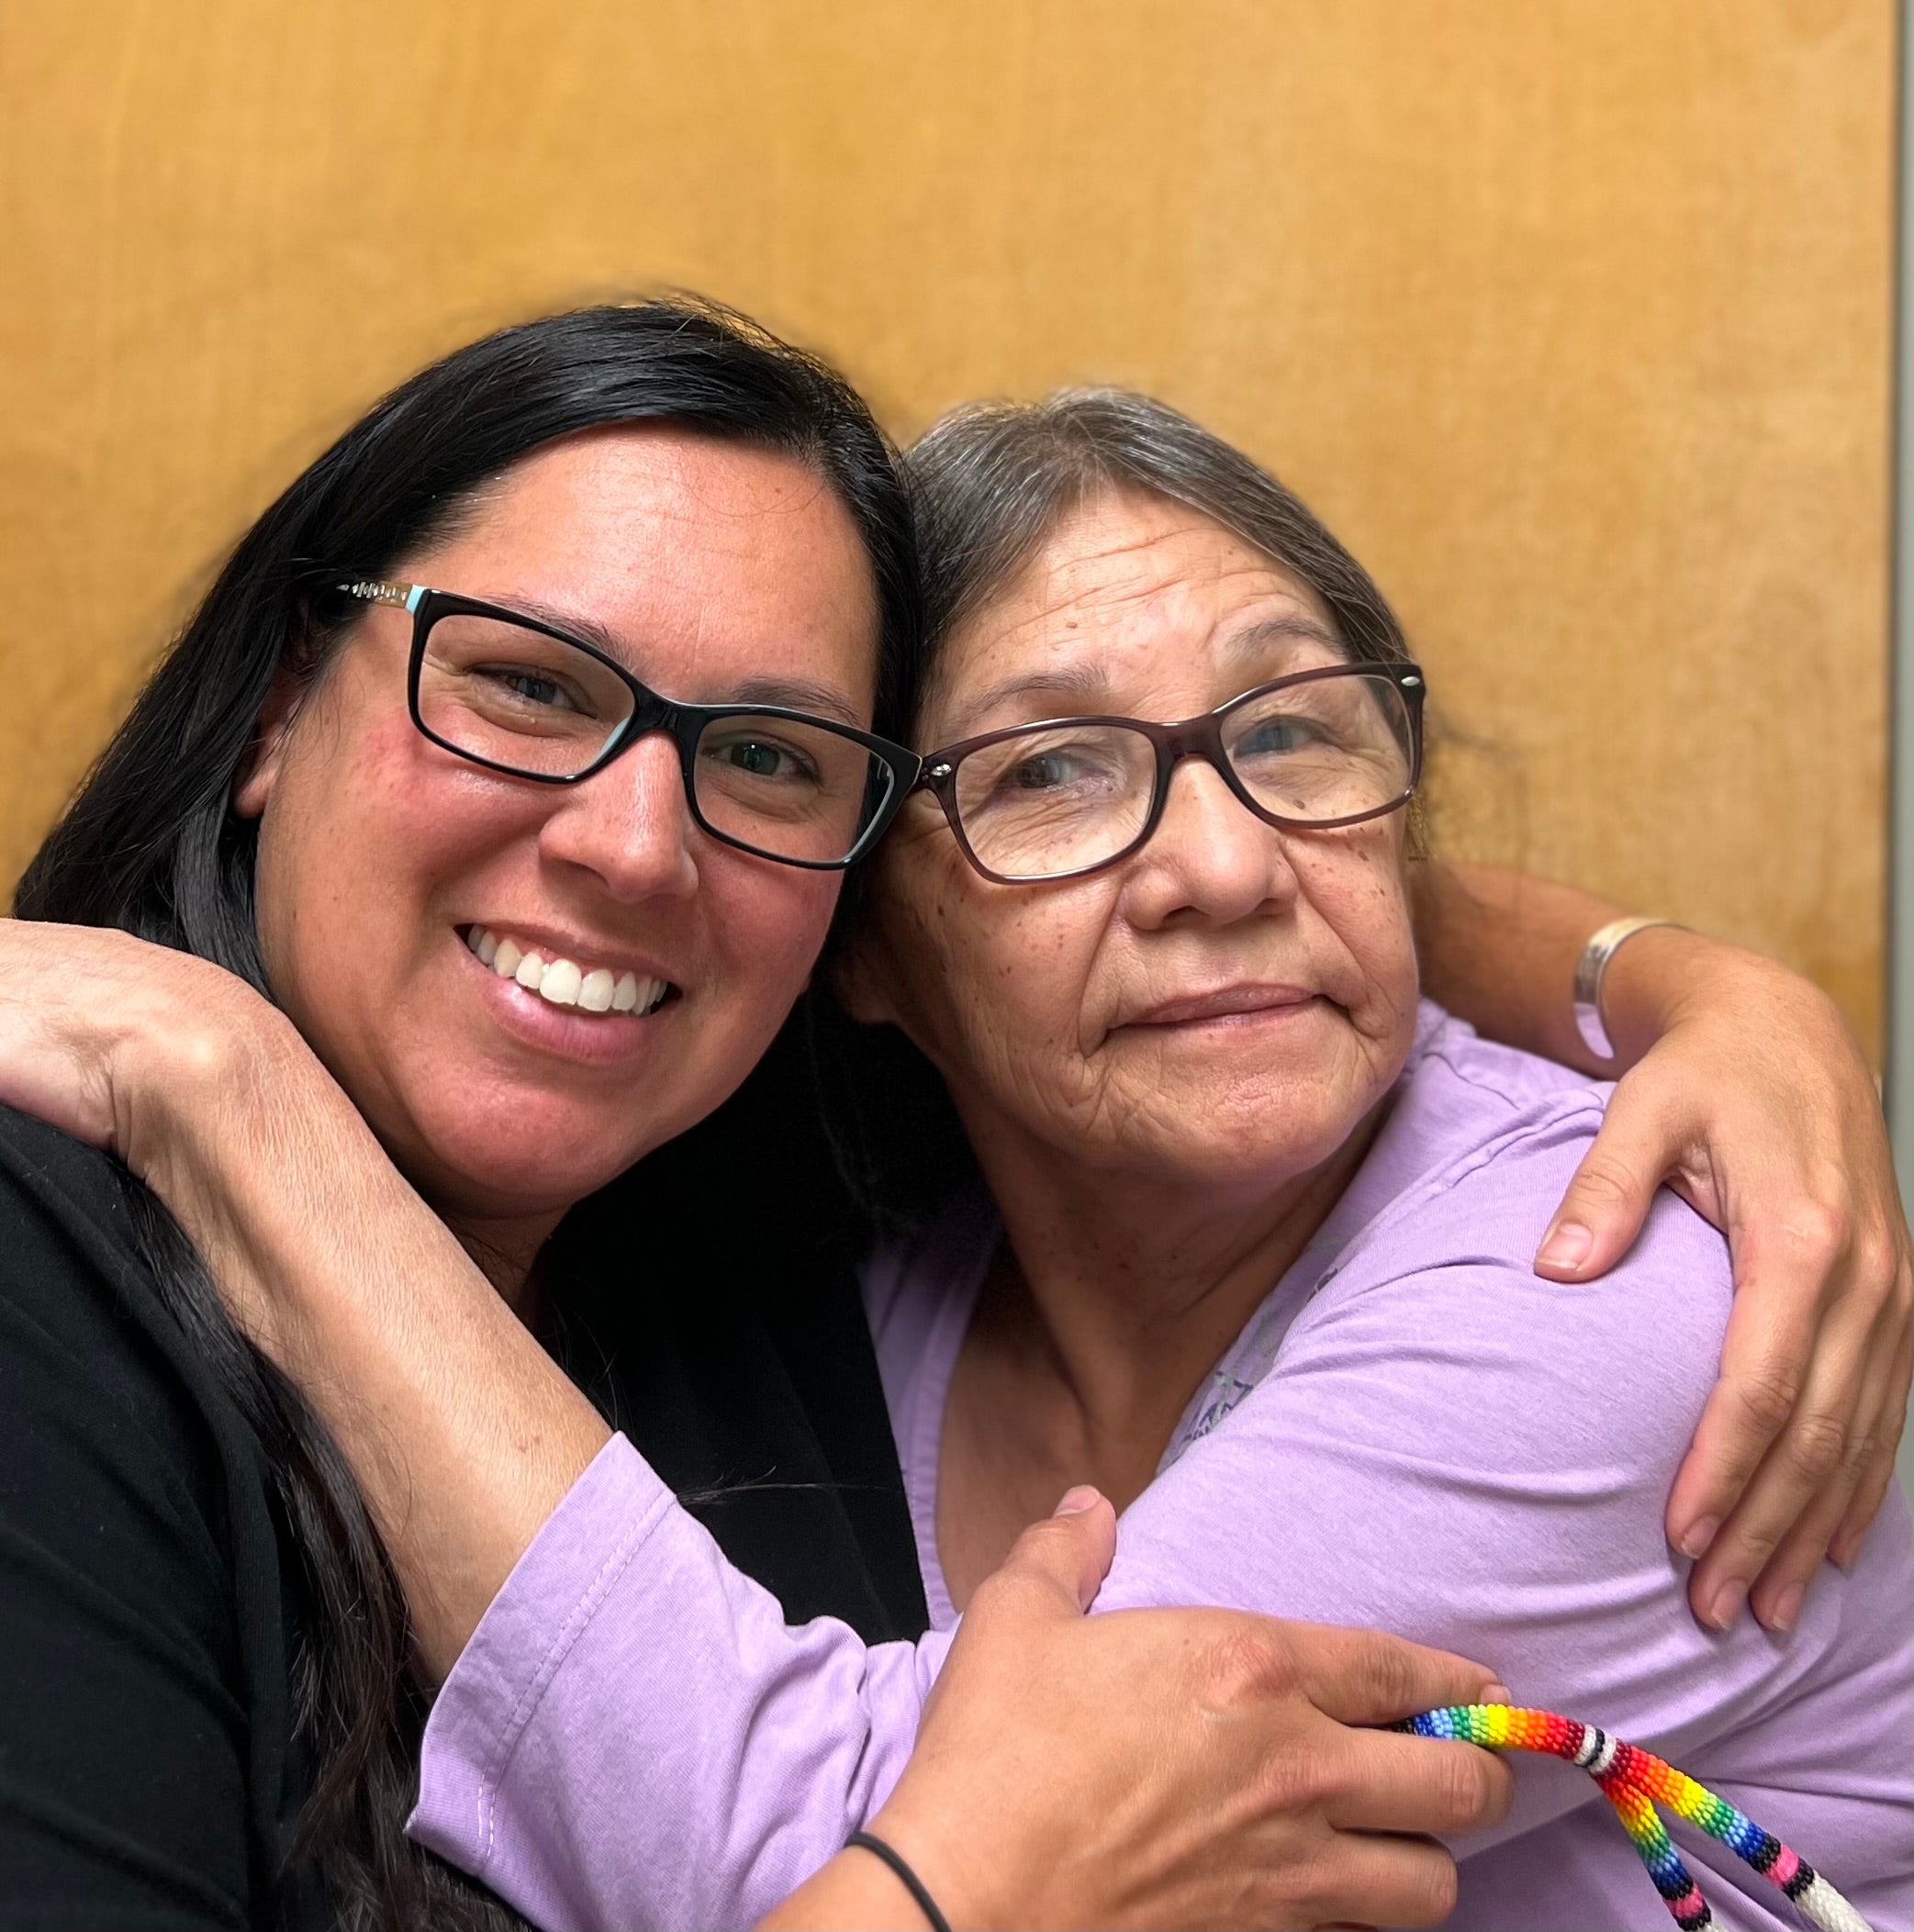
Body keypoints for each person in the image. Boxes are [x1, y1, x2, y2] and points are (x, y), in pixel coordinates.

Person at [4, 367, 1908, 1932]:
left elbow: (813, 1860)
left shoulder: (1614, 1281)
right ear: (866, 942)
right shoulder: (853, 1236)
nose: (1228, 865)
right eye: (1046, 774)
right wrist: (1655, 969)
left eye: (1300, 734)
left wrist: (224, 1087)